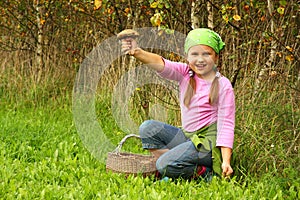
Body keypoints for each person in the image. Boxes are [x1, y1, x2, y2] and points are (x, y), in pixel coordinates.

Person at [119, 28, 235, 180]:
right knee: (148, 128)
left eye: (207, 54)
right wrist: (137, 52)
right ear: (187, 56)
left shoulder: (223, 84)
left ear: (216, 57)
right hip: (188, 138)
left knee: (163, 165)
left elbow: (226, 124)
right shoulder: (185, 73)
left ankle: (204, 173)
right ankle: (178, 167)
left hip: (207, 146)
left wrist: (226, 161)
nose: (200, 59)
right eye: (195, 54)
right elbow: (160, 63)